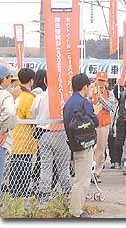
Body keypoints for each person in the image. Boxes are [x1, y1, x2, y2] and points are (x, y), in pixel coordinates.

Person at [31, 73, 71, 202]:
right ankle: (67, 193)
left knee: (45, 165)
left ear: (45, 81)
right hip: (61, 133)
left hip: (44, 133)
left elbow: (34, 112)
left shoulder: (40, 97)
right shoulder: (64, 97)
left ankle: (44, 194)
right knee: (63, 167)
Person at [63, 73, 99, 218]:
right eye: (89, 86)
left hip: (73, 144)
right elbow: (95, 122)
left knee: (78, 177)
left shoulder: (69, 103)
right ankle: (76, 212)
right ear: (85, 87)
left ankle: (74, 208)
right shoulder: (85, 103)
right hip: (85, 145)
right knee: (82, 180)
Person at [8, 68, 38, 197]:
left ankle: (14, 192)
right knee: (23, 167)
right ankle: (21, 193)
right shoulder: (29, 98)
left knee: (15, 166)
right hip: (25, 138)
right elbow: (31, 118)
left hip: (15, 136)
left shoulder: (16, 94)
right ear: (31, 81)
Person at [92, 72, 115, 182]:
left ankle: (97, 173)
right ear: (96, 80)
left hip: (103, 125)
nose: (101, 82)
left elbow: (110, 106)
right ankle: (89, 171)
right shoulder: (90, 90)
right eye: (99, 80)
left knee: (101, 149)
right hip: (90, 125)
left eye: (103, 80)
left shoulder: (109, 93)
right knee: (90, 149)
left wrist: (100, 97)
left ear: (106, 82)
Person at [111, 80, 126, 169]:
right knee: (119, 141)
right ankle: (117, 160)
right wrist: (118, 82)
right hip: (122, 119)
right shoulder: (122, 95)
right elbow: (116, 92)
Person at [0, 64, 16, 189]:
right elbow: (9, 113)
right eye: (10, 78)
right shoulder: (5, 95)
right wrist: (3, 131)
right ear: (4, 79)